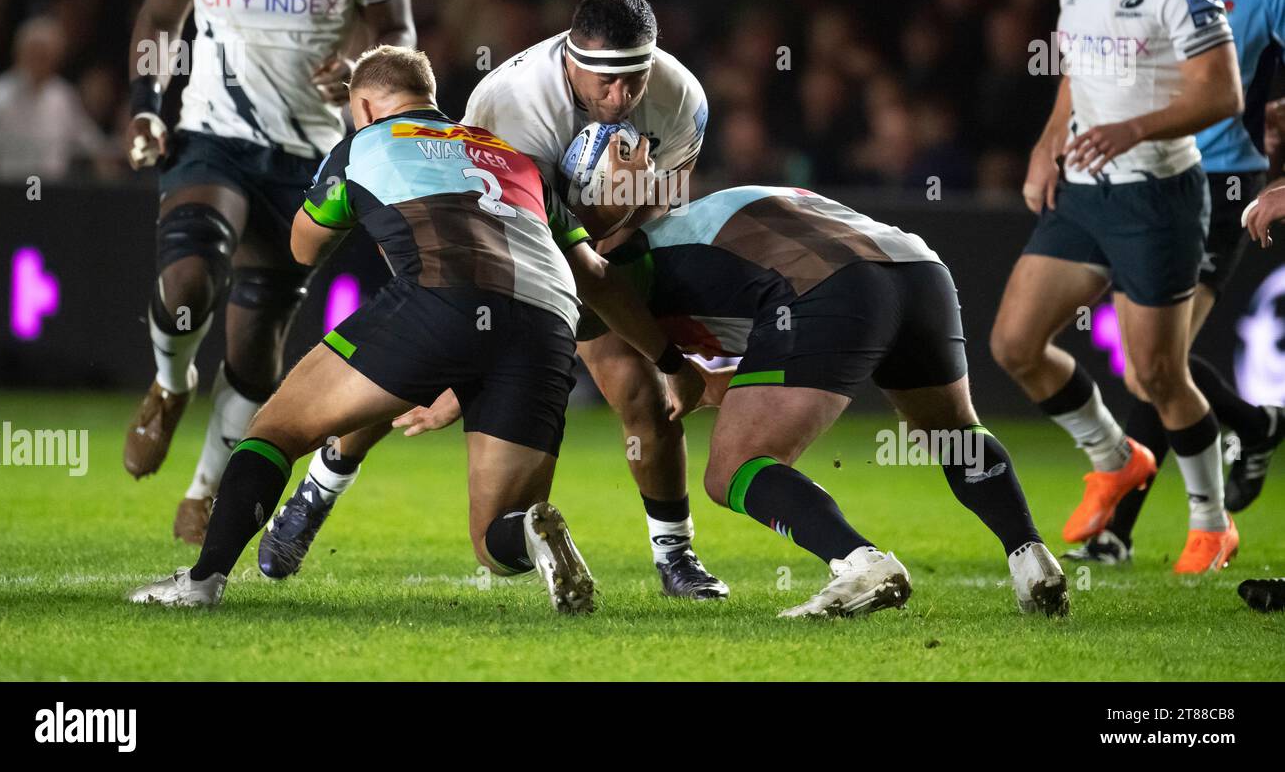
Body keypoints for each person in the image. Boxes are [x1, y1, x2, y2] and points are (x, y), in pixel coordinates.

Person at [127, 46, 713, 611]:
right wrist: (671, 363)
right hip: (548, 320)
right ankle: (531, 533)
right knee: (492, 541)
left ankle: (202, 582)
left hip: (444, 297)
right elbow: (598, 275)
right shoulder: (514, 159)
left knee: (275, 430)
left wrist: (356, 202)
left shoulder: (365, 142)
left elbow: (302, 248)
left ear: (363, 108)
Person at [400, 184, 1068, 618]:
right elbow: (750, 338)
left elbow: (571, 308)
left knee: (733, 469)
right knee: (949, 432)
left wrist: (461, 391)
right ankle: (1030, 556)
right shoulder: (716, 220)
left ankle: (859, 563)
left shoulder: (625, 257)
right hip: (918, 270)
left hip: (832, 286)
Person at [259, 0, 731, 599]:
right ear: (571, 59)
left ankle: (677, 558)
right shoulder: (509, 106)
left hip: (595, 244)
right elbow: (482, 232)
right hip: (493, 255)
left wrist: (617, 216)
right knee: (412, 365)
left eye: (633, 81)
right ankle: (322, 486)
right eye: (603, 84)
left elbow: (658, 205)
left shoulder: (678, 97)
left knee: (644, 392)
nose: (619, 98)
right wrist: (462, 372)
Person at [120, 0, 416, 544]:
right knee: (189, 281)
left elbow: (399, 40)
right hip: (215, 135)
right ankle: (168, 381)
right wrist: (148, 106)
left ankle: (207, 486)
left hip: (311, 153)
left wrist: (358, 70)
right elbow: (159, 16)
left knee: (256, 341)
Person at [988, 0, 1244, 574]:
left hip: (1158, 198)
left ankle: (1211, 520)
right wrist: (1046, 144)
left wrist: (1131, 128)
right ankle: (1113, 456)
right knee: (1013, 343)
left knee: (1159, 375)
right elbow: (1077, 73)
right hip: (1085, 196)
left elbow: (1223, 92)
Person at [1071, 0, 1285, 565]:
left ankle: (1116, 533)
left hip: (1223, 186)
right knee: (1150, 363)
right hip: (1142, 185)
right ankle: (1252, 427)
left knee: (1149, 362)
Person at [0, 15, 112, 180]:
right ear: (20, 53)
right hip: (11, 188)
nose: (41, 61)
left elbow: (89, 139)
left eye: (47, 55)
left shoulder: (62, 95)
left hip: (52, 190)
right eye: (35, 53)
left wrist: (106, 159)